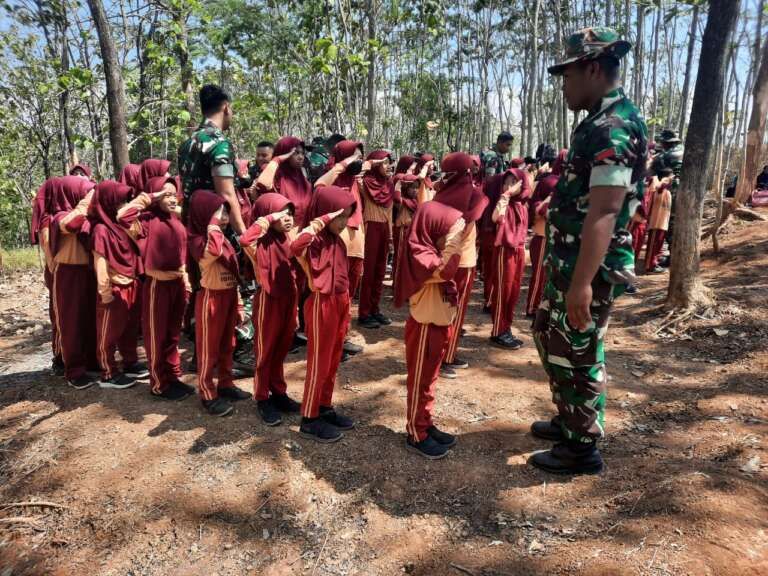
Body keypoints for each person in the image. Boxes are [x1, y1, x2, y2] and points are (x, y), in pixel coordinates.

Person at [530, 27, 647, 475]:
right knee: (552, 336)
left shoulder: (613, 127)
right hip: (570, 260)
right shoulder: (599, 120)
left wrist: (581, 283)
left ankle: (581, 448)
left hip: (588, 268)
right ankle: (571, 418)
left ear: (593, 68)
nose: (564, 84)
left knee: (577, 346)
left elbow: (606, 209)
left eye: (568, 74)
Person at [395, 199, 466, 459]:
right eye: (449, 232)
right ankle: (416, 432)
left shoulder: (430, 250)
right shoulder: (420, 253)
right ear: (433, 229)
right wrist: (455, 242)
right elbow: (446, 270)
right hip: (425, 323)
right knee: (420, 381)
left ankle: (425, 422)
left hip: (438, 322)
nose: (454, 236)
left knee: (431, 379)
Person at [117, 176, 194, 400]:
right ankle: (159, 383)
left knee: (172, 334)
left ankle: (173, 376)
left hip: (177, 283)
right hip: (157, 286)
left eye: (173, 194)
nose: (171, 198)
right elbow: (122, 216)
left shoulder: (176, 220)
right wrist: (150, 197)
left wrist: (186, 283)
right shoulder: (146, 221)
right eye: (166, 194)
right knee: (156, 336)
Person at [291, 185, 357, 443]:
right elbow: (294, 247)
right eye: (339, 216)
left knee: (333, 358)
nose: (342, 223)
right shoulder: (312, 241)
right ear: (325, 214)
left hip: (340, 302)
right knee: (319, 361)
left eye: (346, 216)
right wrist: (320, 222)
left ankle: (324, 406)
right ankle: (309, 417)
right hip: (321, 304)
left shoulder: (337, 241)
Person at [240, 193, 303, 426]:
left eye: (289, 213)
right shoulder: (260, 244)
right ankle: (262, 398)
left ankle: (279, 392)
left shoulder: (289, 237)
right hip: (269, 300)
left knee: (281, 348)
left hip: (289, 298)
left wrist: (296, 310)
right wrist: (268, 219)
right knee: (265, 351)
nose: (287, 218)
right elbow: (245, 240)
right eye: (282, 214)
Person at [188, 190, 251, 417]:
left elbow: (234, 272)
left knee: (228, 345)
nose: (224, 218)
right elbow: (212, 252)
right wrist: (213, 223)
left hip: (228, 296)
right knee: (208, 349)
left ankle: (226, 384)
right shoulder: (197, 240)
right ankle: (207, 392)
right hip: (211, 298)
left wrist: (239, 304)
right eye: (218, 213)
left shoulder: (222, 238)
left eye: (225, 212)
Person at [432, 152, 488, 379]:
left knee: (441, 307)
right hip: (462, 260)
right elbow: (476, 213)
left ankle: (438, 354)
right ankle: (446, 357)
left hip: (441, 258)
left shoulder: (440, 192)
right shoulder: (472, 194)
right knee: (455, 309)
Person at [90, 181, 149, 389]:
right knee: (108, 332)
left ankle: (130, 362)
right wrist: (105, 292)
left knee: (129, 328)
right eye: (119, 200)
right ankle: (108, 372)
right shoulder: (100, 230)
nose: (123, 204)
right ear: (108, 202)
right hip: (114, 287)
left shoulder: (120, 225)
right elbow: (101, 263)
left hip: (131, 283)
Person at [48, 176, 98, 389]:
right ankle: (74, 370)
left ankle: (90, 361)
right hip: (68, 273)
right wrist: (87, 201)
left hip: (88, 271)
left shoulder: (87, 214)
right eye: (82, 191)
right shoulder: (60, 216)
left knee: (89, 318)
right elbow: (72, 223)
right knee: (70, 322)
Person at [178, 85, 244, 234]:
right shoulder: (219, 144)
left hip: (191, 227)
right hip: (215, 229)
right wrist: (243, 233)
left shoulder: (187, 143)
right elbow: (226, 193)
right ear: (226, 107)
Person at [316, 140, 366, 304]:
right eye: (354, 156)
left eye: (360, 157)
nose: (358, 161)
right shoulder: (332, 176)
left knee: (350, 288)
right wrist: (344, 164)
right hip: (339, 238)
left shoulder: (355, 180)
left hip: (356, 239)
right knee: (334, 288)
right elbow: (319, 187)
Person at [487, 167, 530, 349]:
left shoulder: (522, 206)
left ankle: (506, 328)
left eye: (514, 182)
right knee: (503, 291)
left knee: (513, 293)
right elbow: (495, 217)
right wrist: (505, 195)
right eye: (506, 182)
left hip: (518, 251)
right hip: (505, 250)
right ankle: (498, 331)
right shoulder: (504, 202)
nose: (509, 186)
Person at [526, 150, 566, 317]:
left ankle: (540, 306)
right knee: (540, 275)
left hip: (551, 235)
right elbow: (537, 205)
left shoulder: (551, 181)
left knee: (547, 275)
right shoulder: (554, 182)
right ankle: (533, 308)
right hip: (545, 235)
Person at [358, 150, 394, 328]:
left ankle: (375, 309)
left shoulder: (389, 184)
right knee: (369, 272)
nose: (389, 166)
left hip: (384, 229)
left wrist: (391, 237)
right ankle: (364, 313)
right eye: (385, 163)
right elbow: (357, 177)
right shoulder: (364, 182)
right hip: (370, 227)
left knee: (380, 271)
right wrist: (368, 164)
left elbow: (389, 212)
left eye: (389, 163)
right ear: (376, 164)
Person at [30, 178, 62, 373]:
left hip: (64, 273)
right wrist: (56, 272)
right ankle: (59, 357)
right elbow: (49, 254)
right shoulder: (48, 220)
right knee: (60, 316)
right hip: (58, 273)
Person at [644, 170, 673, 273]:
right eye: (670, 176)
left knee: (658, 246)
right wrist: (666, 178)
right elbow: (659, 185)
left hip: (663, 223)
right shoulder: (659, 188)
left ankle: (654, 264)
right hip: (656, 222)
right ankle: (649, 266)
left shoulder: (667, 191)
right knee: (653, 246)